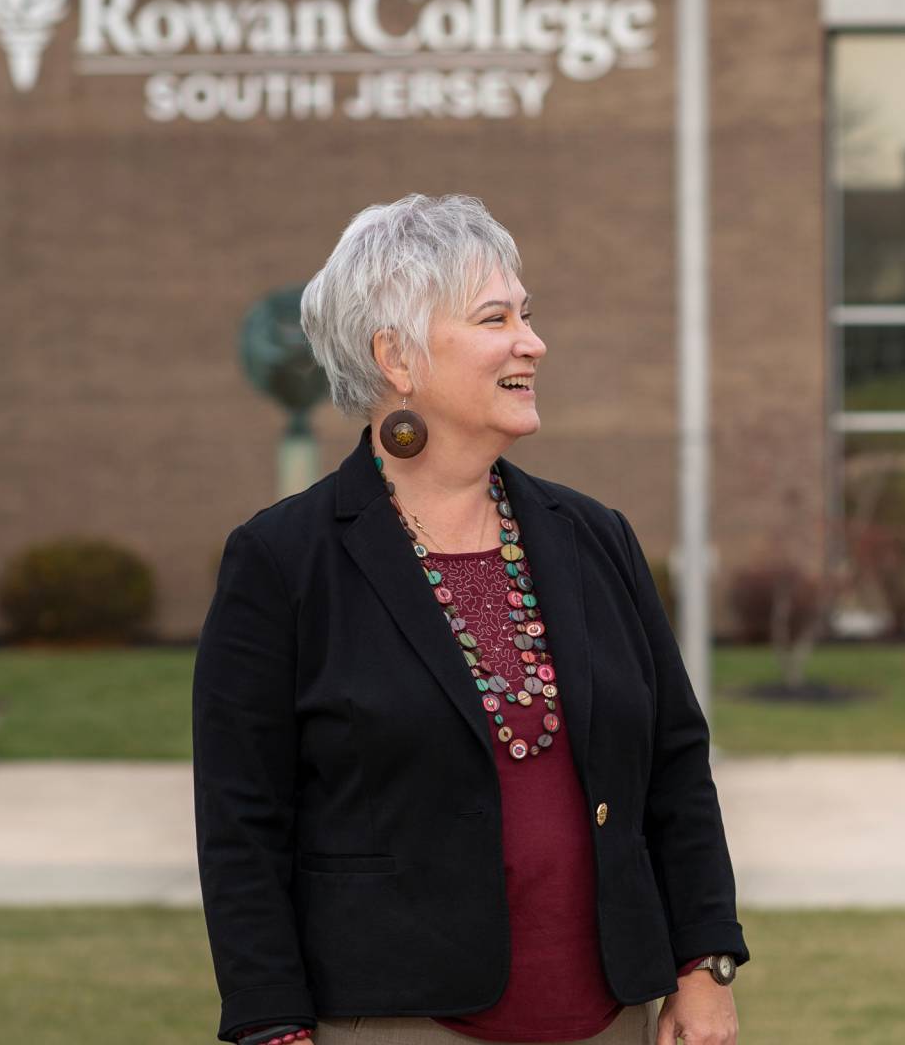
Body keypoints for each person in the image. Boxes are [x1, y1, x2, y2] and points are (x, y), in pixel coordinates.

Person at [194, 194, 746, 1045]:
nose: (533, 341)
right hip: (393, 1019)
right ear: (396, 358)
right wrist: (273, 1025)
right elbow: (241, 820)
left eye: (527, 314)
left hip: (614, 1015)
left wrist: (704, 964)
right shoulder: (283, 560)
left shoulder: (593, 536)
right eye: (496, 318)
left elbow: (675, 761)